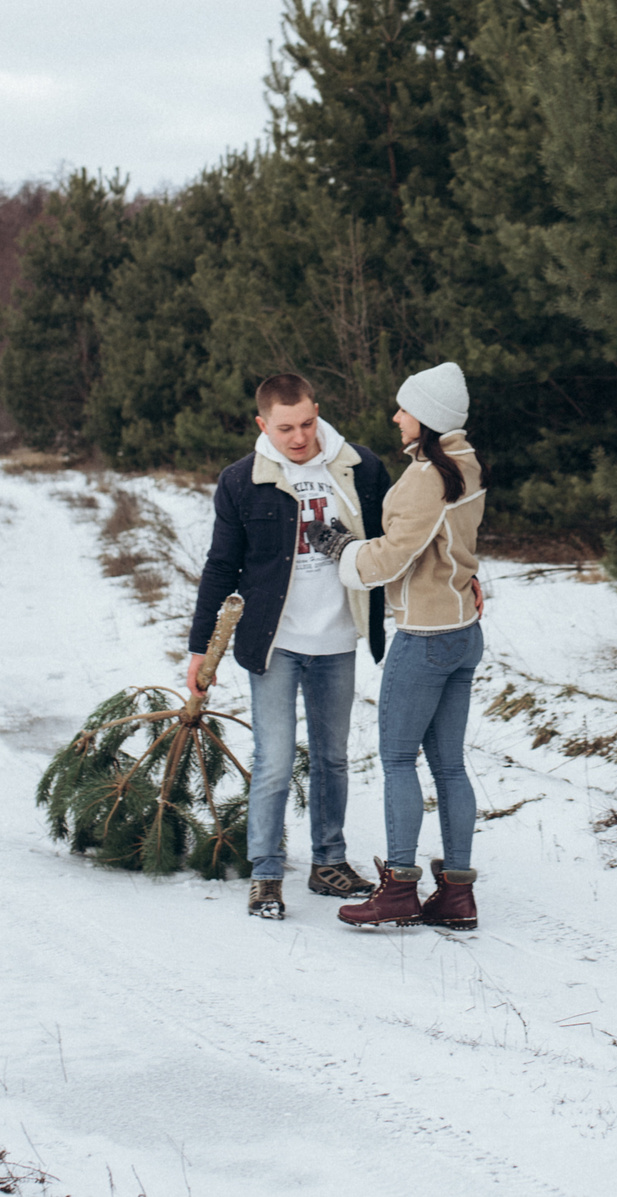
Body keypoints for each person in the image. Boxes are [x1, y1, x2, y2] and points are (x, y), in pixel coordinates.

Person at [186, 373, 391, 918]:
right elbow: (220, 567)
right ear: (263, 425)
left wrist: (461, 575)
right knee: (274, 761)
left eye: (306, 423)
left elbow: (404, 538)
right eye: (285, 428)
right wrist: (199, 648)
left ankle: (329, 862)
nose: (298, 438)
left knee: (332, 759)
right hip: (273, 645)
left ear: (317, 412)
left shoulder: (361, 468)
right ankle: (267, 874)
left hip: (338, 640)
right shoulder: (240, 481)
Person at [313, 361, 487, 932]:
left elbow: (391, 559)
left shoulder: (423, 479)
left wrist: (340, 549)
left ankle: (398, 892)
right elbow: (443, 545)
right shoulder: (464, 463)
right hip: (463, 633)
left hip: (425, 638)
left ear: (428, 419)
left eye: (404, 409)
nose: (395, 417)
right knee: (450, 766)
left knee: (395, 760)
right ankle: (457, 895)